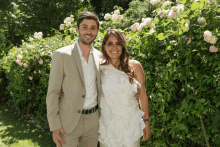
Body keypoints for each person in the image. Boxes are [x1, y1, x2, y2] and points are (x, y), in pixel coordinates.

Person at [46, 11, 102, 147]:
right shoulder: (62, 55)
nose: (89, 31)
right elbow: (53, 92)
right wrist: (54, 125)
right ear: (77, 29)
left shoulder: (100, 57)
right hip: (68, 121)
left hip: (94, 121)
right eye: (85, 27)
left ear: (97, 31)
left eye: (93, 28)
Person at [98, 29, 151, 147]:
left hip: (130, 124)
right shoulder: (99, 68)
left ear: (123, 46)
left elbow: (142, 94)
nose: (114, 47)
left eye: (118, 43)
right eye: (110, 44)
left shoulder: (135, 66)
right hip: (108, 125)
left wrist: (146, 121)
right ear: (104, 46)